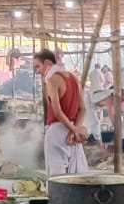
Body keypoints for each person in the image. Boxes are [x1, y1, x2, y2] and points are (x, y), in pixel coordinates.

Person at [36, 48, 88, 177]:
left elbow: (58, 113)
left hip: (57, 131)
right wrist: (75, 129)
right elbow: (83, 109)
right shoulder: (74, 79)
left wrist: (74, 130)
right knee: (75, 175)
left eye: (38, 66)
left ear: (48, 63)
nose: (38, 71)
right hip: (72, 130)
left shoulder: (52, 81)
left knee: (56, 176)